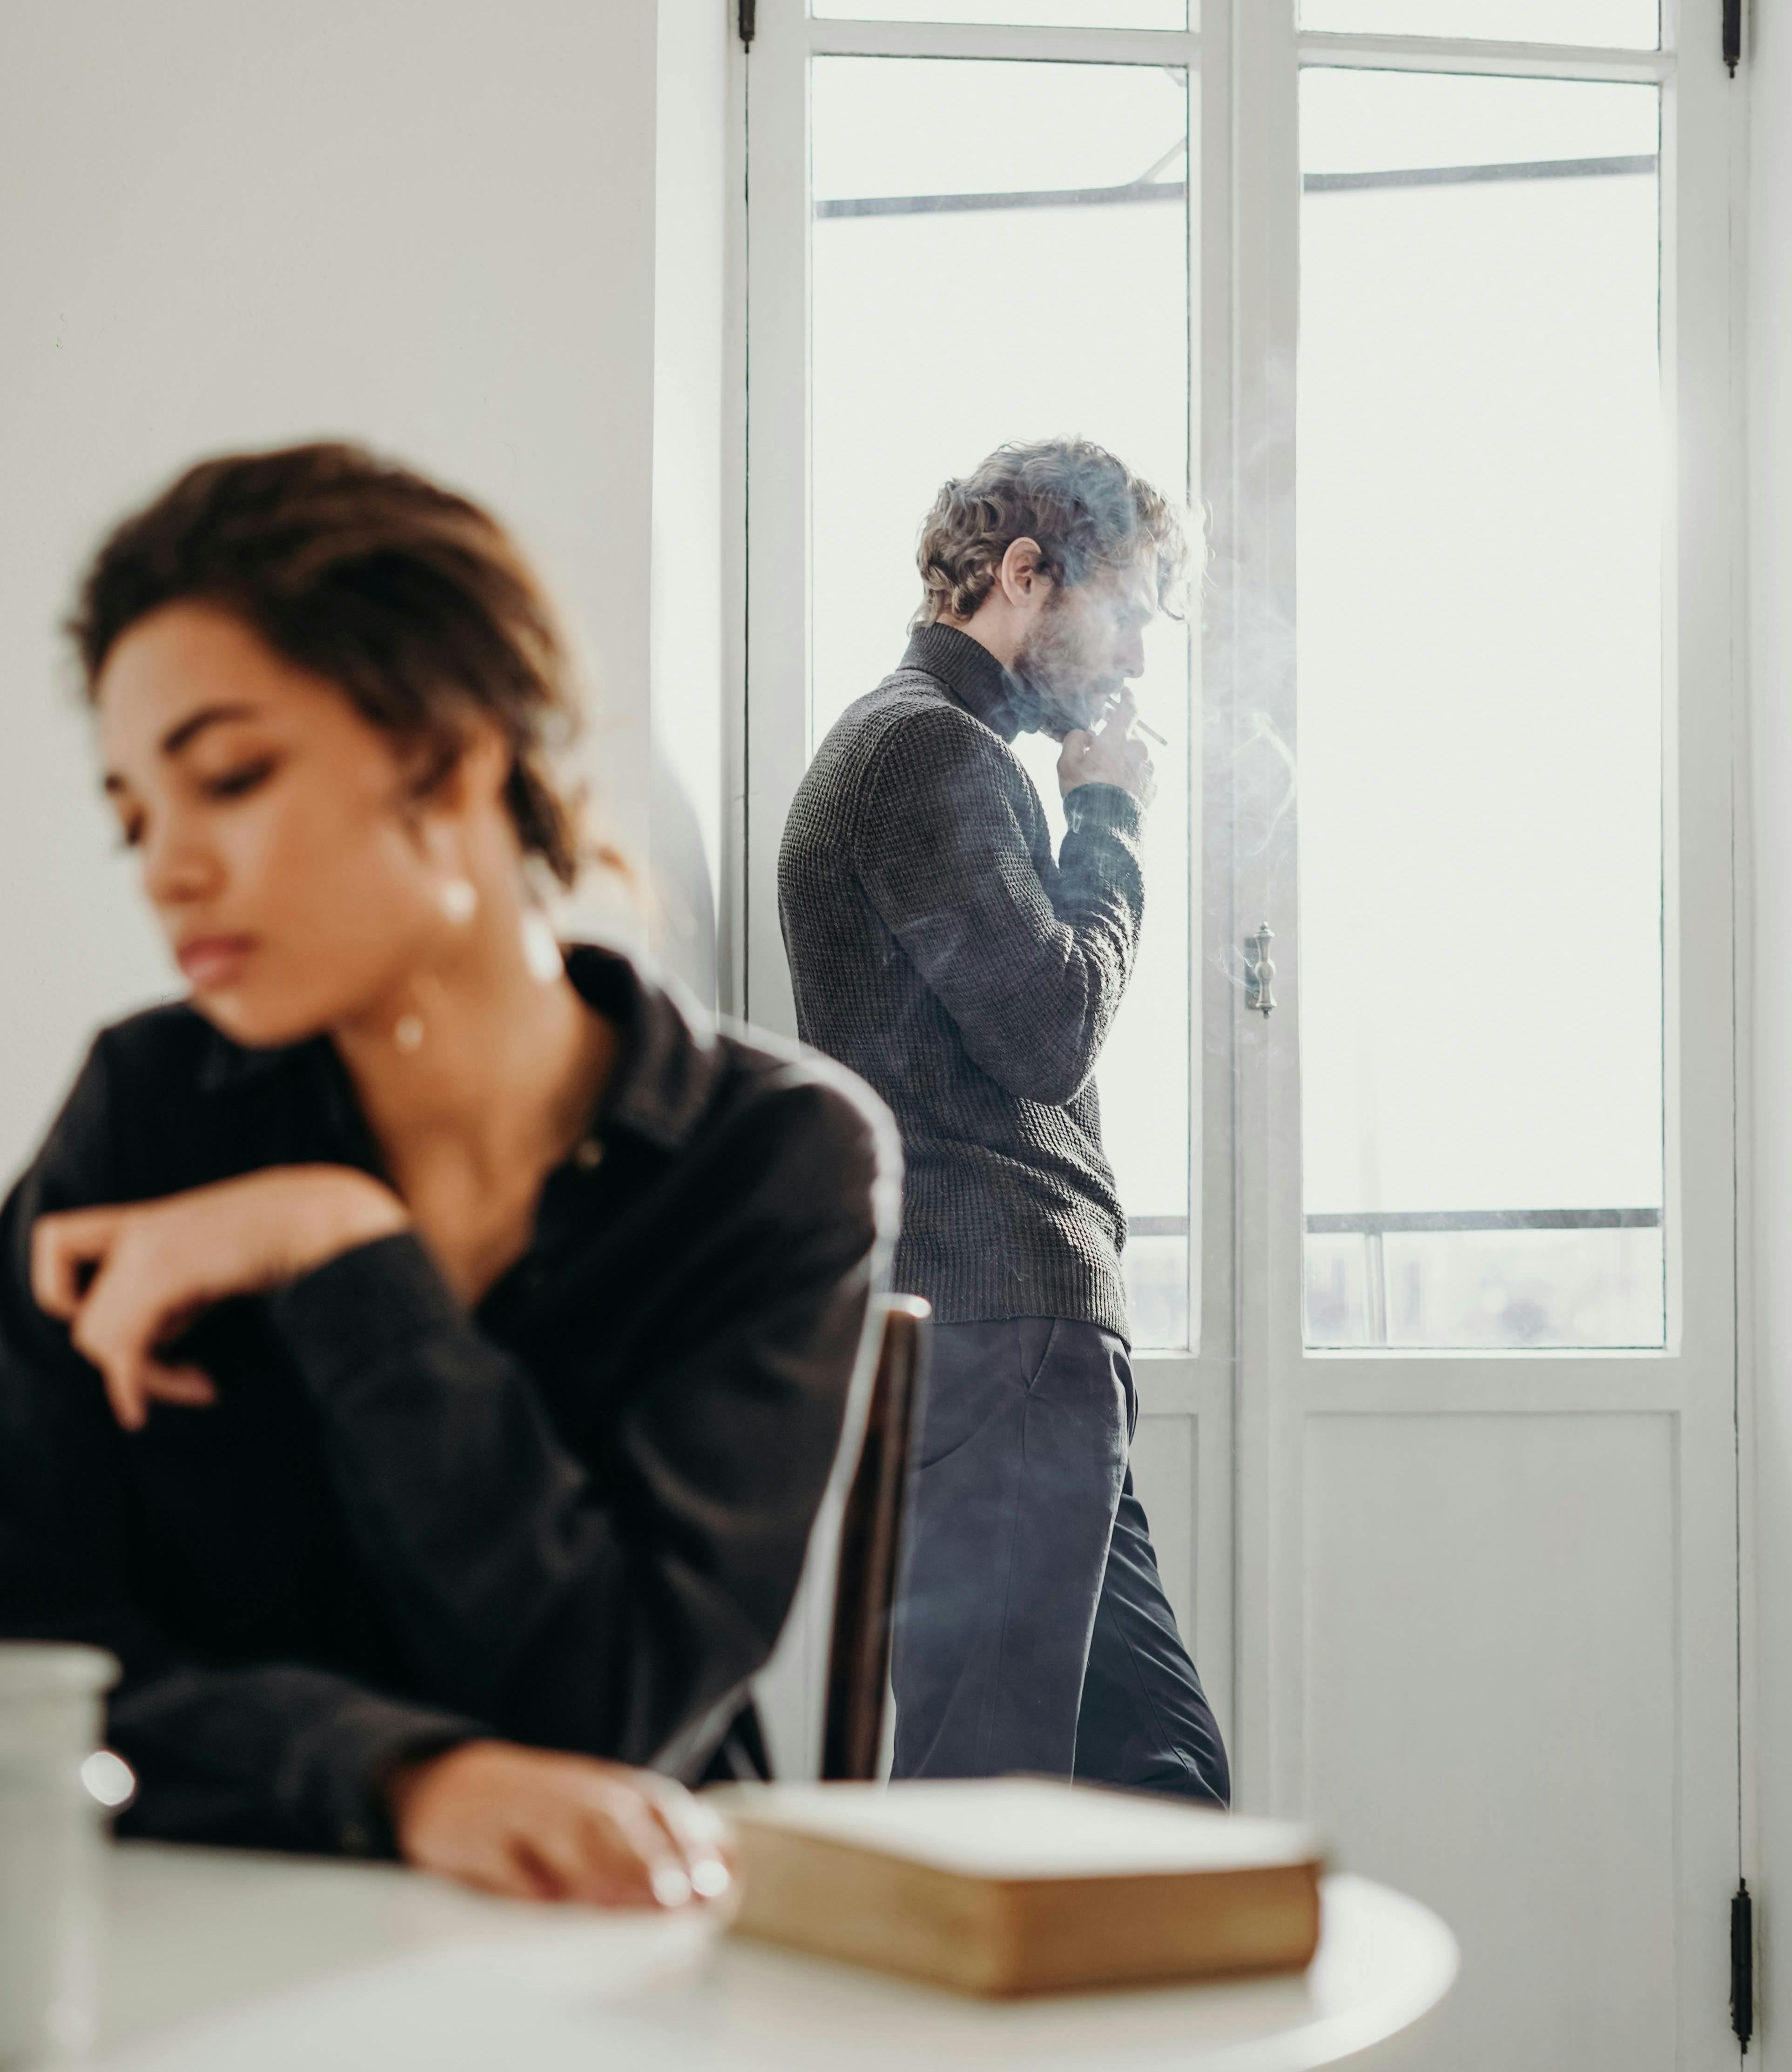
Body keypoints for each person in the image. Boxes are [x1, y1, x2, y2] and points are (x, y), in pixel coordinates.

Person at [0, 443, 897, 1906]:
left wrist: (342, 1251)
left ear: (455, 753)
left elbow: (609, 1708)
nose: (167, 867)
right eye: (135, 818)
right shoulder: (147, 1106)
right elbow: (27, 1656)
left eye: (228, 777)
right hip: (198, 1932)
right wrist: (394, 1775)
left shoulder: (774, 1156)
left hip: (603, 1951)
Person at [777, 438, 1228, 1804]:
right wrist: (1109, 818)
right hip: (1000, 1327)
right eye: (1128, 611)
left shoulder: (930, 747)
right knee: (985, 1793)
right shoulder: (926, 748)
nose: (1137, 657)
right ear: (1025, 574)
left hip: (1013, 1331)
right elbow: (1047, 1029)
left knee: (1164, 1775)